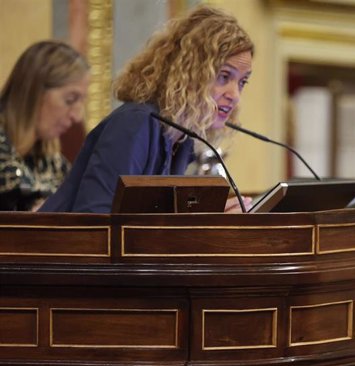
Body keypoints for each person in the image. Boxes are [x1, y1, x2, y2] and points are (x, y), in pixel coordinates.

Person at [40, 5, 253, 214]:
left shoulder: (181, 139)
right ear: (190, 72)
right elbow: (94, 220)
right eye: (224, 76)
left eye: (242, 82)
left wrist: (209, 220)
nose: (235, 95)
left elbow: (156, 220)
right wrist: (203, 228)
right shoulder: (134, 124)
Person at [0, 40, 89, 211]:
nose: (77, 116)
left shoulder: (50, 157)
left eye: (81, 101)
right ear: (35, 93)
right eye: (70, 100)